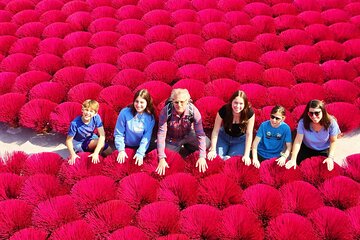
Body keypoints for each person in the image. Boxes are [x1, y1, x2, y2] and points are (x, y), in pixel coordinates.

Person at [156, 88, 210, 175]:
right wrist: (161, 158)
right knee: (168, 158)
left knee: (207, 144)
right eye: (176, 102)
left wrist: (202, 156)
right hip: (172, 138)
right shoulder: (166, 111)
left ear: (188, 101)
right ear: (172, 101)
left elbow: (200, 134)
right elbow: (161, 134)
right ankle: (181, 147)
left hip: (188, 134)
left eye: (182, 102)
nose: (179, 105)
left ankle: (188, 146)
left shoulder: (194, 111)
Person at [285, 99, 341, 171]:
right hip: (306, 148)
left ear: (323, 112)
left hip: (323, 149)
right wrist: (293, 159)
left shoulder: (331, 123)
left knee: (325, 169)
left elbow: (333, 141)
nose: (314, 116)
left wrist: (330, 157)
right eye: (311, 113)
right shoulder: (303, 122)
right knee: (297, 167)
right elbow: (298, 141)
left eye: (317, 113)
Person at [207, 90, 255, 165]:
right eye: (235, 102)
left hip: (240, 140)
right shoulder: (224, 110)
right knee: (217, 158)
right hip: (223, 137)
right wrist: (213, 149)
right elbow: (215, 130)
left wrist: (246, 154)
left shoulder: (249, 113)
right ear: (231, 102)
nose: (237, 106)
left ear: (245, 104)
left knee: (233, 161)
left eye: (241, 103)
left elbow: (249, 134)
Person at [114, 89, 156, 166]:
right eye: (136, 101)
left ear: (147, 103)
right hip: (125, 145)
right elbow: (119, 133)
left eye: (142, 102)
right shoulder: (125, 113)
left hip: (141, 146)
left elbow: (146, 137)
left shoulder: (150, 118)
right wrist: (121, 150)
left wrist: (140, 153)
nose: (138, 105)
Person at [66, 99, 112, 165]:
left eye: (91, 111)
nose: (88, 113)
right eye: (86, 110)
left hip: (91, 138)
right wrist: (72, 154)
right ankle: (95, 159)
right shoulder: (75, 123)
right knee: (100, 143)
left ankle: (95, 154)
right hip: (80, 143)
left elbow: (102, 135)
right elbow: (68, 141)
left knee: (109, 152)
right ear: (82, 110)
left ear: (95, 113)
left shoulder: (96, 117)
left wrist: (96, 152)